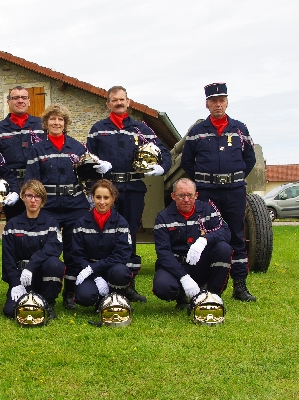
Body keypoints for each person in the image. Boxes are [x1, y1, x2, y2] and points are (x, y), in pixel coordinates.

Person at [86, 85, 172, 303]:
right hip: (107, 190)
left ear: (128, 102)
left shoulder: (141, 129)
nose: (119, 103)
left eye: (122, 99)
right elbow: (88, 161)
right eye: (114, 100)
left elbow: (163, 151)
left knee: (129, 236)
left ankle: (127, 284)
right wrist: (91, 190)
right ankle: (105, 283)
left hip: (133, 189)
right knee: (105, 235)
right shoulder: (98, 129)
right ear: (108, 104)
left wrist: (162, 168)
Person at [25, 103, 112, 310]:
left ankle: (70, 294)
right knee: (47, 250)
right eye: (52, 119)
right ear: (46, 123)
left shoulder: (78, 148)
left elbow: (89, 176)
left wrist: (100, 171)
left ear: (65, 123)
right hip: (48, 206)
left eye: (60, 119)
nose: (56, 123)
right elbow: (32, 181)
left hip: (75, 205)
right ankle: (44, 292)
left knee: (74, 250)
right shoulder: (37, 149)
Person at [181, 83, 257, 302]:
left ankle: (240, 285)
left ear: (227, 102)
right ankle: (205, 282)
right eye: (213, 101)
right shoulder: (197, 132)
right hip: (207, 192)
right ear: (207, 104)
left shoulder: (240, 129)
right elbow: (187, 162)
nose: (218, 104)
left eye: (221, 100)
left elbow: (249, 159)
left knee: (236, 235)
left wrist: (233, 177)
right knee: (206, 234)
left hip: (234, 191)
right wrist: (207, 179)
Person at [151, 178, 232, 309]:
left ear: (196, 195)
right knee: (162, 287)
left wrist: (204, 239)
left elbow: (225, 232)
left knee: (223, 249)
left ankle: (212, 295)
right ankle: (182, 296)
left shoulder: (208, 210)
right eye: (181, 195)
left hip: (202, 263)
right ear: (173, 196)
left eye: (190, 195)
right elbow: (163, 253)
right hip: (177, 264)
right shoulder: (163, 218)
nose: (186, 199)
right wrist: (183, 277)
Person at [1, 180, 64, 321]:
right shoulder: (12, 224)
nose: (33, 200)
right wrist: (15, 283)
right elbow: (8, 258)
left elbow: (53, 249)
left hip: (42, 275)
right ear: (23, 197)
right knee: (12, 311)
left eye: (37, 196)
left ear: (43, 199)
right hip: (21, 277)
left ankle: (48, 303)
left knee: (55, 264)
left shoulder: (51, 223)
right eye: (29, 195)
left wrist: (31, 266)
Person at [70, 179, 133, 309]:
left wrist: (94, 268)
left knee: (121, 272)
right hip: (88, 270)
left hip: (112, 269)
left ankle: (117, 297)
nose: (102, 202)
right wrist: (95, 275)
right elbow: (77, 255)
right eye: (98, 197)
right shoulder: (81, 224)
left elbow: (122, 254)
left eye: (106, 197)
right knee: (85, 296)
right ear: (92, 197)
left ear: (113, 198)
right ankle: (99, 299)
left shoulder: (121, 223)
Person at [0, 86, 46, 220]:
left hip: (38, 183)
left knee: (40, 225)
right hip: (11, 186)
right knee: (15, 226)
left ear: (29, 101)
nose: (20, 101)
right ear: (8, 102)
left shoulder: (41, 126)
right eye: (15, 98)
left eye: (24, 97)